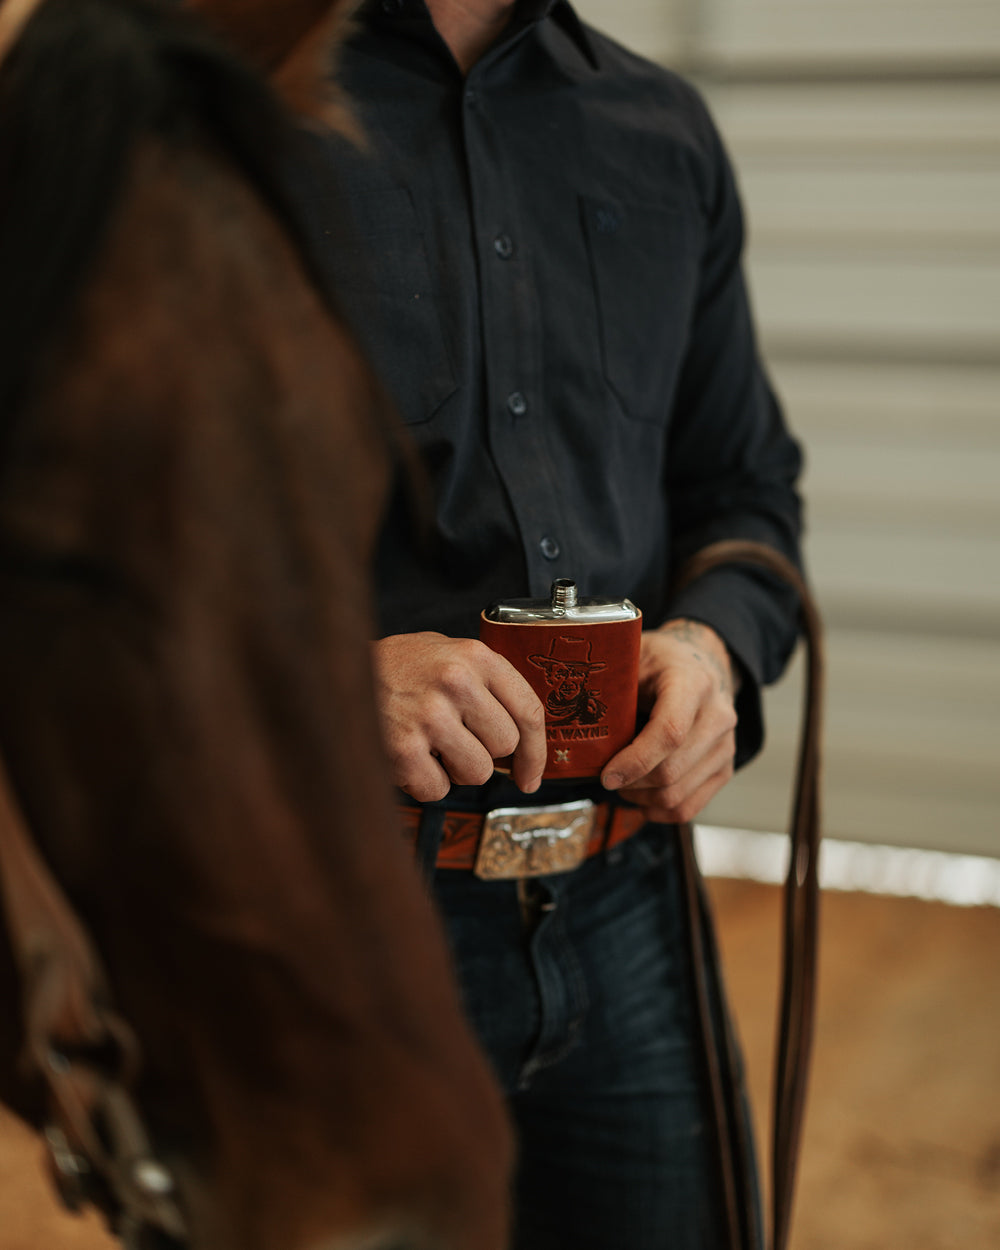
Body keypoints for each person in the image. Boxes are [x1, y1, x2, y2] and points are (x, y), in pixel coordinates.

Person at [303, 1, 804, 1246]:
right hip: (334, 919)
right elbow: (87, 546)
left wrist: (711, 650)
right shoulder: (214, 112)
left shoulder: (662, 132)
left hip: (625, 901)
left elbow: (744, 489)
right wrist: (319, 680)